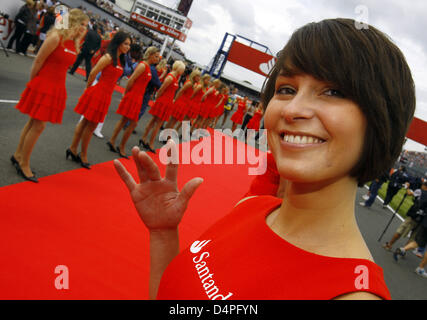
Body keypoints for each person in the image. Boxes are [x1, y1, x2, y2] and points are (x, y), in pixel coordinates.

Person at [113, 18, 416, 299]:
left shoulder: (352, 294)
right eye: (286, 89)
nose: (292, 109)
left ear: (381, 120)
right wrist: (164, 235)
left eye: (333, 92)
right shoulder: (253, 206)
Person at [11, 8, 89, 183]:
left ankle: (18, 155)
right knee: (38, 126)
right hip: (43, 84)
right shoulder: (56, 37)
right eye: (82, 25)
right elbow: (38, 60)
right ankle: (24, 163)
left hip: (57, 87)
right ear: (74, 22)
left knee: (33, 122)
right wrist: (34, 84)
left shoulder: (74, 43)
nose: (85, 29)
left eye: (86, 26)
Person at [67, 31, 131, 169]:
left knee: (87, 124)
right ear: (118, 43)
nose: (128, 47)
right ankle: (82, 154)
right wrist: (88, 88)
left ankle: (73, 149)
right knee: (89, 126)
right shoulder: (108, 57)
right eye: (126, 43)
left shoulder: (121, 59)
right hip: (98, 93)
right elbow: (93, 72)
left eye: (129, 44)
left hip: (106, 96)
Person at [106, 46, 160, 158]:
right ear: (150, 55)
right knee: (130, 122)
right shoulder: (143, 65)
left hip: (139, 97)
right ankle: (120, 145)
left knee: (126, 121)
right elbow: (131, 80)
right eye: (156, 56)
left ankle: (113, 141)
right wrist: (126, 93)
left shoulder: (148, 67)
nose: (158, 59)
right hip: (133, 96)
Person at [140, 60, 185, 153]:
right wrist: (158, 99)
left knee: (154, 122)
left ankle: (144, 139)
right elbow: (161, 89)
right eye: (182, 69)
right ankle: (150, 142)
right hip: (163, 101)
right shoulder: (171, 77)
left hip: (167, 102)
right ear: (179, 68)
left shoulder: (175, 77)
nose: (183, 71)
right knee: (157, 123)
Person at [393, 182, 427, 277]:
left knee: (418, 242)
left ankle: (403, 249)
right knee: (419, 242)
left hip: (424, 222)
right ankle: (420, 268)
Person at [383, 183, 427, 251]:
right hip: (422, 220)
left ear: (424, 186)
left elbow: (409, 193)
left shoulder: (420, 191)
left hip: (414, 216)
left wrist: (407, 187)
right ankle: (403, 251)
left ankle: (389, 245)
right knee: (412, 237)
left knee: (400, 230)